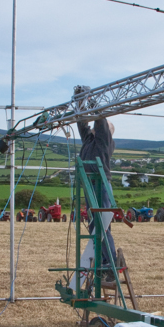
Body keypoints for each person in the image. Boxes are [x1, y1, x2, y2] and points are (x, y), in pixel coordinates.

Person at [70, 86, 118, 291]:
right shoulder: (90, 140)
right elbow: (82, 124)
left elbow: (100, 119)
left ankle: (109, 264)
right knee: (94, 226)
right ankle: (101, 261)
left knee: (102, 225)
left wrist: (93, 101)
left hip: (100, 184)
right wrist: (81, 101)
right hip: (91, 183)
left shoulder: (104, 140)